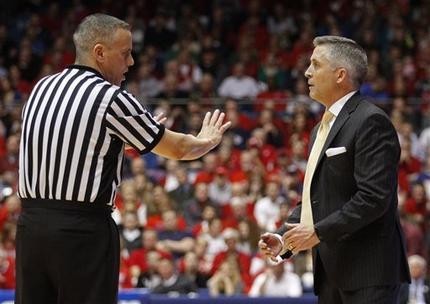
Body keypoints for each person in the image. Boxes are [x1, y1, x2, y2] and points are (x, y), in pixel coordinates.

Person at [16, 13, 230, 304]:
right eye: (126, 54)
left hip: (30, 228)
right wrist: (206, 140)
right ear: (100, 53)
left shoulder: (41, 88)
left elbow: (73, 146)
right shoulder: (111, 97)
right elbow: (179, 149)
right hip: (82, 230)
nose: (131, 63)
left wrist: (120, 143)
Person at [258, 35, 410, 303]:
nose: (306, 72)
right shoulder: (320, 128)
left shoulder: (371, 121)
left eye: (315, 64)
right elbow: (317, 198)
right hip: (330, 272)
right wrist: (285, 239)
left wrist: (316, 232)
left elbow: (374, 198)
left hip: (368, 273)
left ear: (340, 75)